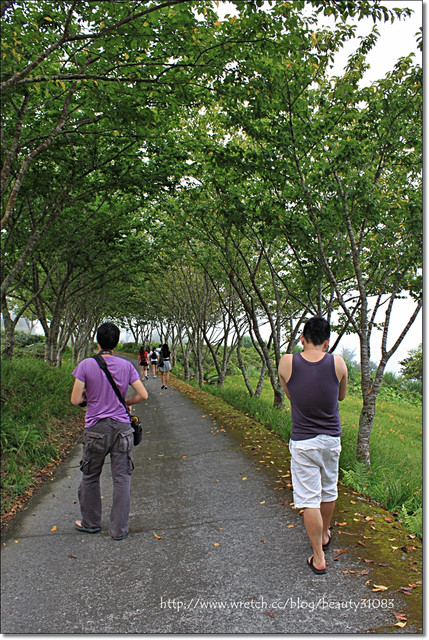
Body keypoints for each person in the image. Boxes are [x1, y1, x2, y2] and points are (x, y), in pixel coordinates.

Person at [278, 316, 348, 575]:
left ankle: (318, 556)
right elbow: (341, 395)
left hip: (303, 440)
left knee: (309, 499)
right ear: (327, 342)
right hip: (331, 439)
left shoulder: (287, 362)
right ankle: (325, 534)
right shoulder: (337, 362)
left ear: (302, 339)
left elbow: (290, 394)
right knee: (328, 490)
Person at [71, 322, 148, 540]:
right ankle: (119, 530)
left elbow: (75, 399)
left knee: (90, 476)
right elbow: (143, 395)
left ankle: (91, 523)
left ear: (97, 341)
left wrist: (88, 396)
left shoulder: (86, 365)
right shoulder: (126, 366)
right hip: (122, 429)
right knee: (122, 478)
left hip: (96, 428)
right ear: (116, 342)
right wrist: (126, 402)